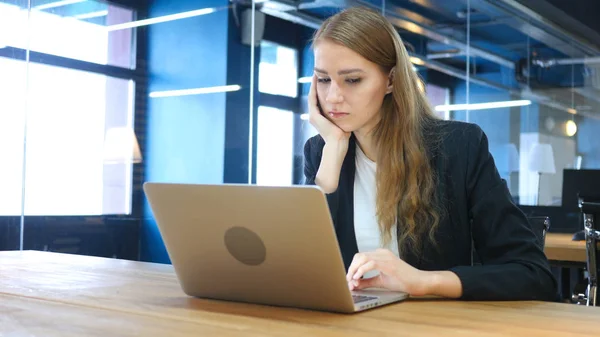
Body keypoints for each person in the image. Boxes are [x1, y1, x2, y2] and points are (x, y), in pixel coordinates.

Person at [303, 6, 557, 301]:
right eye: (323, 80)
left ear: (391, 80)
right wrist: (330, 163)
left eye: (352, 80)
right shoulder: (323, 152)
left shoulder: (459, 147)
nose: (333, 97)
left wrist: (422, 282)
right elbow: (301, 271)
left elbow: (533, 275)